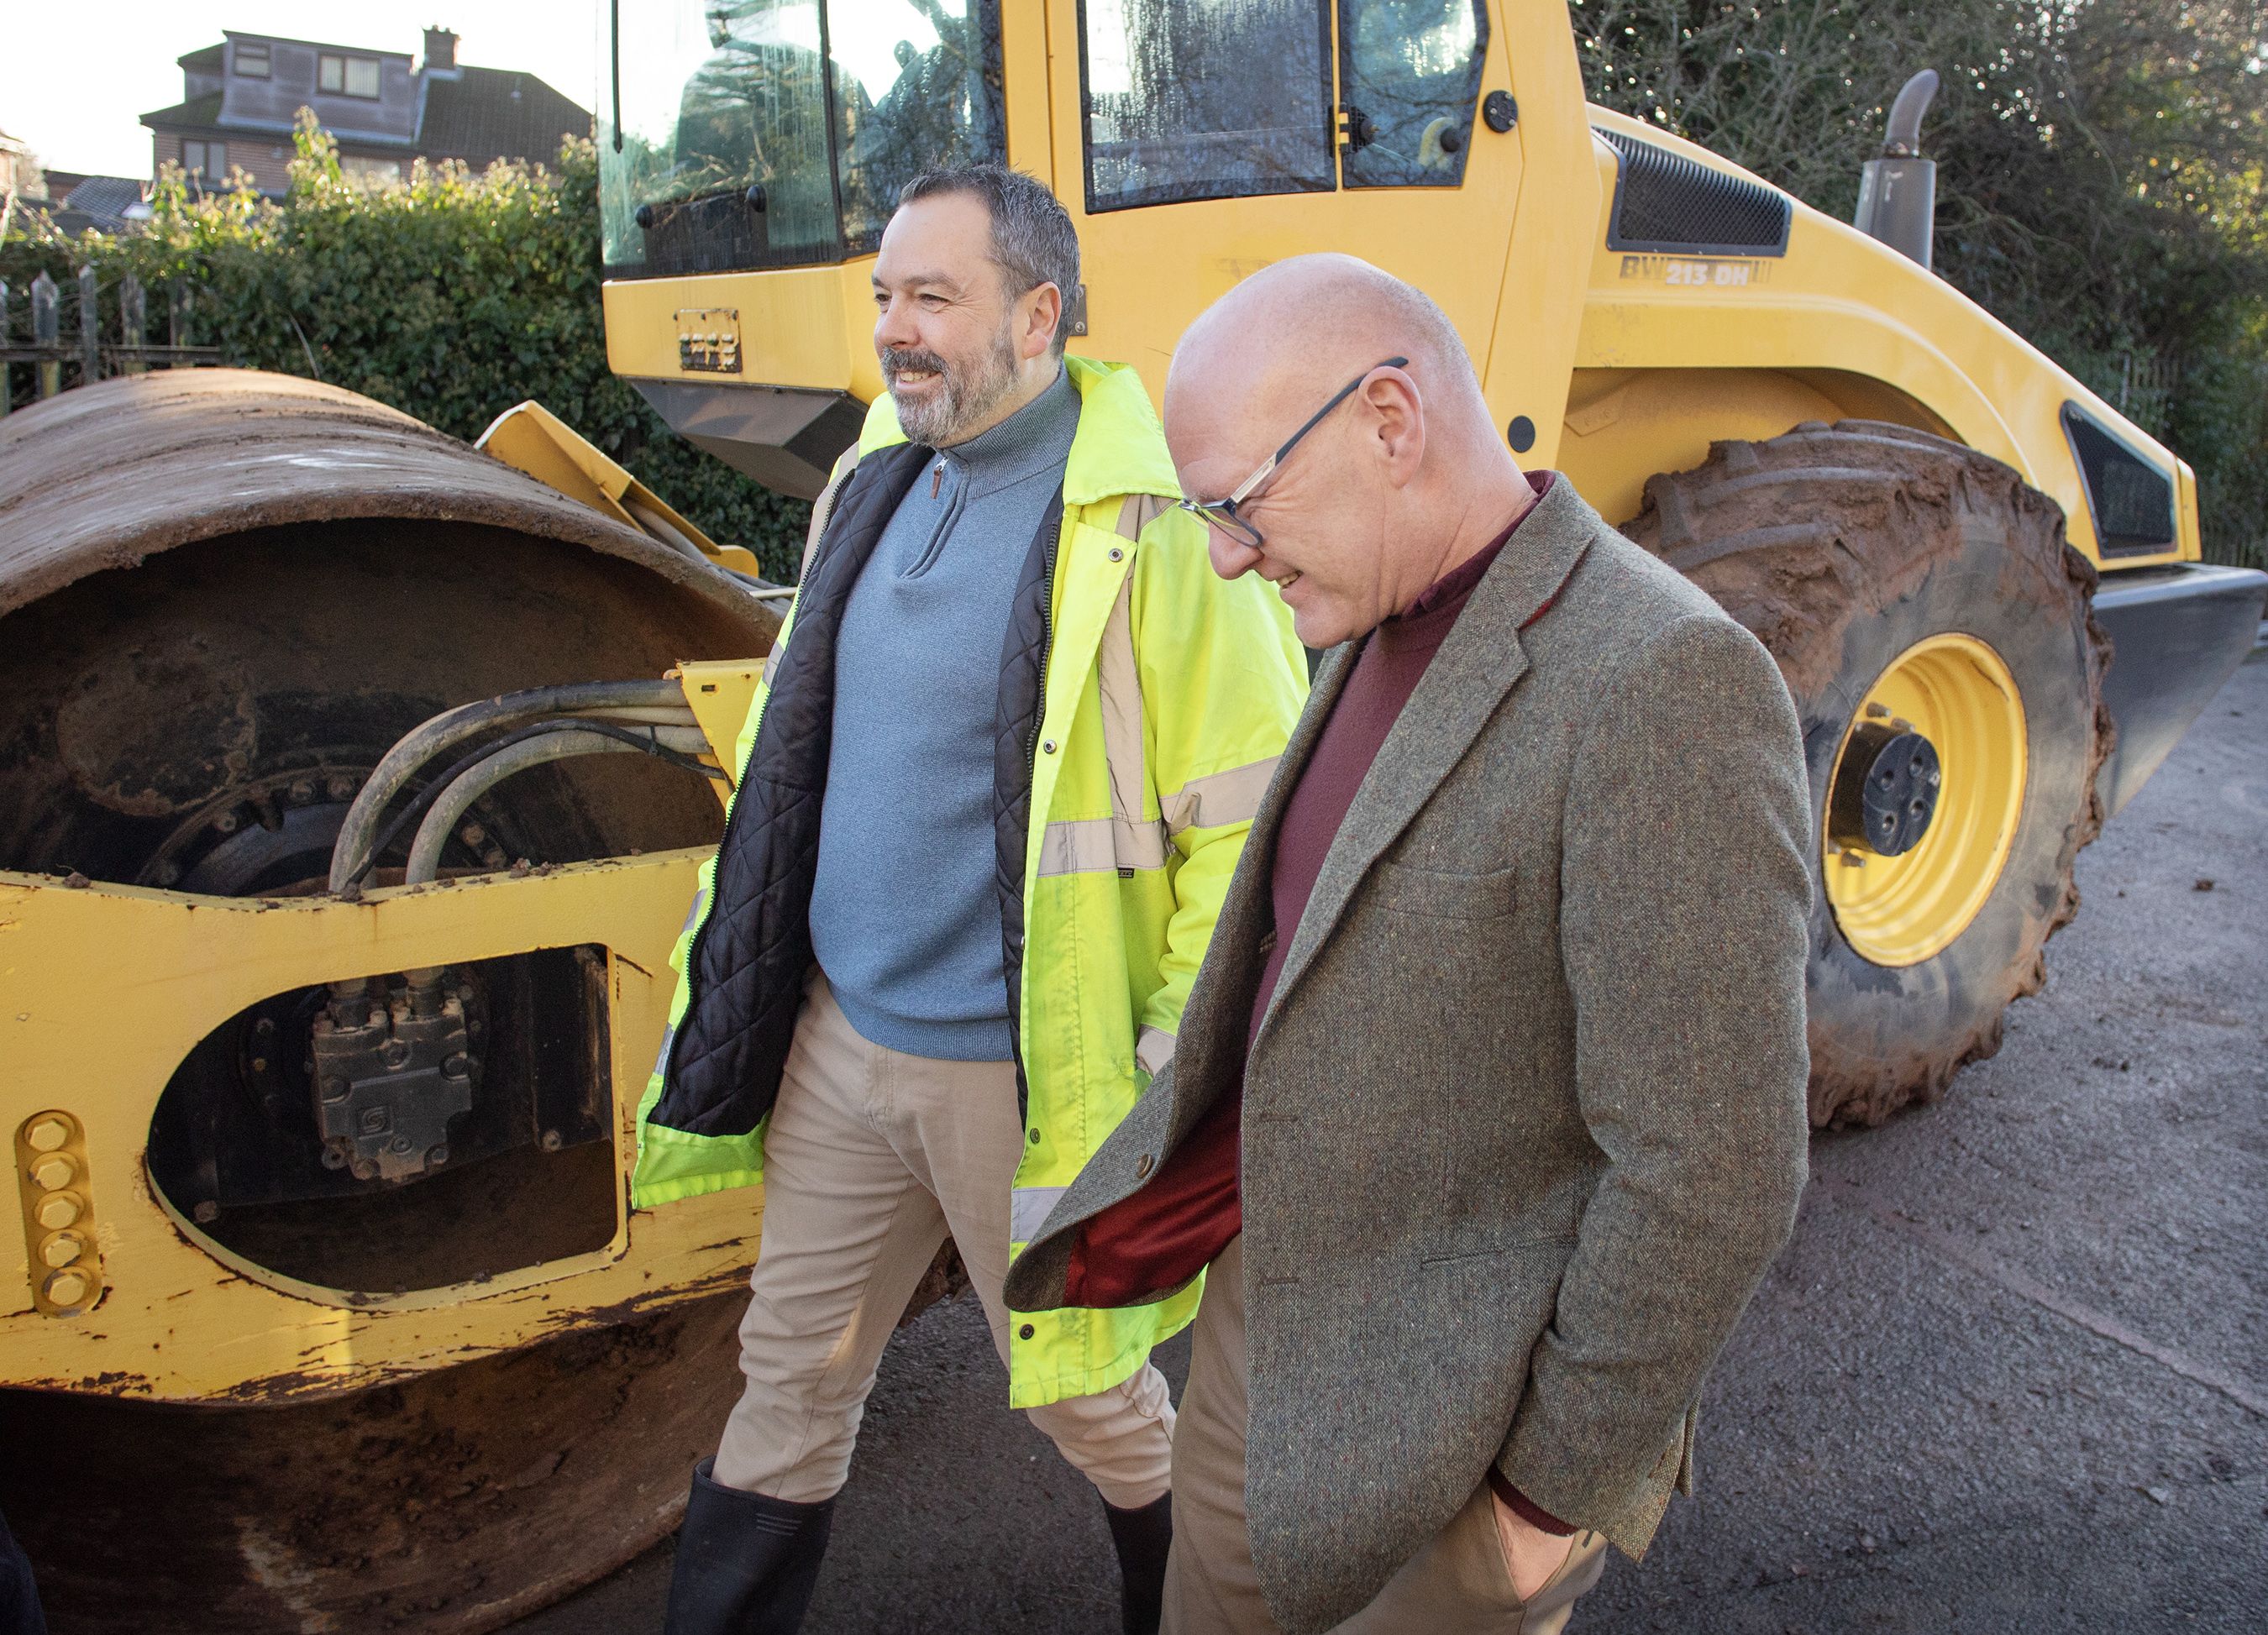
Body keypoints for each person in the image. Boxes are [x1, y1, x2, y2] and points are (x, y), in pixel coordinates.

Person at [1005, 254, 1814, 1635]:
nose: (1225, 556)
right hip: (1263, 1348)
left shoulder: (1665, 679)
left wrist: (1543, 1502)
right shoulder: (1377, 613)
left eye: (1238, 505)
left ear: (1388, 421)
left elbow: (1715, 1165)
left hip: (1450, 1446)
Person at [633, 165, 1309, 1635]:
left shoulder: (1163, 531)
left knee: (1084, 1399)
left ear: (1040, 315)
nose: (896, 328)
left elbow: (1251, 842)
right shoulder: (877, 468)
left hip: (1012, 1080)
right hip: (838, 1044)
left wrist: (1159, 1080)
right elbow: (794, 750)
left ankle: (1206, 1611)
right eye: (887, 295)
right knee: (787, 1382)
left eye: (934, 298)